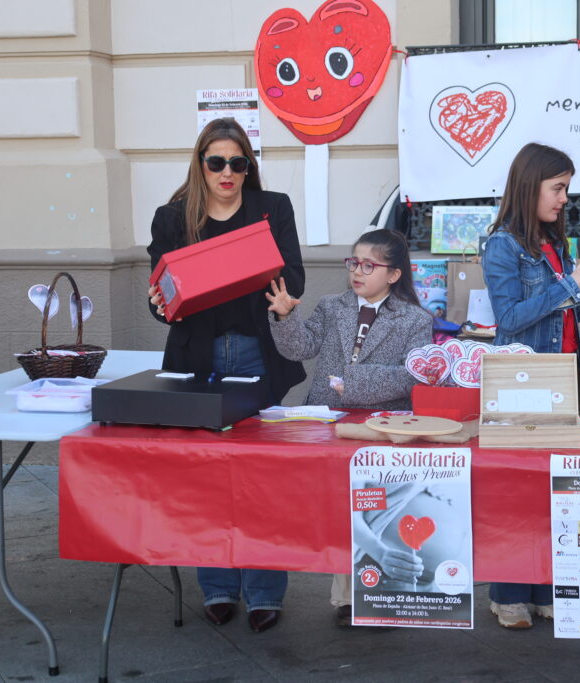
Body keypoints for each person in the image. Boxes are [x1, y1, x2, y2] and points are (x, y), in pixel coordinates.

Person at [147, 117, 305, 634]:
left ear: (248, 167)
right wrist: (160, 303)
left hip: (258, 354)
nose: (227, 172)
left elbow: (293, 275)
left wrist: (280, 297)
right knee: (206, 477)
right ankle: (217, 584)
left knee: (263, 478)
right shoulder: (173, 218)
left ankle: (264, 592)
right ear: (200, 164)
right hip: (200, 358)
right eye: (216, 162)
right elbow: (162, 296)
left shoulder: (271, 208)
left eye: (238, 163)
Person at [265, 228, 433, 627]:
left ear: (394, 274)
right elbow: (301, 347)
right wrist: (285, 316)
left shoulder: (415, 319)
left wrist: (352, 382)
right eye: (353, 262)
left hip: (381, 427)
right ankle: (346, 596)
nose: (357, 271)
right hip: (330, 422)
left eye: (368, 265)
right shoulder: (332, 306)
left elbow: (412, 375)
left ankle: (366, 596)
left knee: (372, 509)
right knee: (342, 507)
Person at [481, 142, 580, 629]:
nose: (564, 199)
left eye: (566, 189)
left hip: (562, 377)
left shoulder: (553, 245)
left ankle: (542, 587)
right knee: (516, 492)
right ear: (530, 185)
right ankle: (508, 594)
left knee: (551, 492)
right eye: (557, 188)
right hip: (522, 380)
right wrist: (571, 284)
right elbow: (510, 319)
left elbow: (564, 317)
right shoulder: (502, 244)